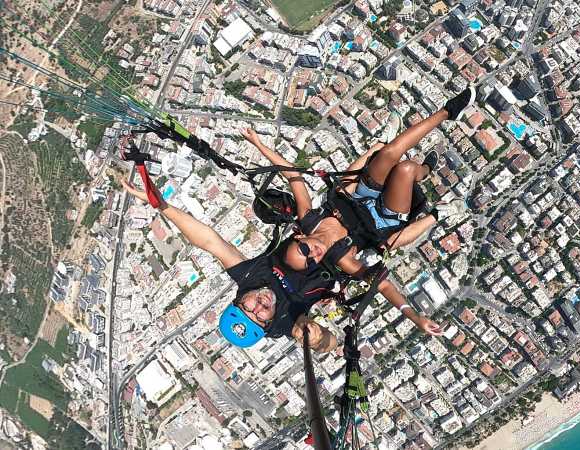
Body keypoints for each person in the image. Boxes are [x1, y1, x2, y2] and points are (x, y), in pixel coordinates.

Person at [121, 86, 475, 353]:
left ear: (239, 300)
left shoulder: (254, 272)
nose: (260, 305)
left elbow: (210, 240)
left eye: (248, 307)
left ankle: (448, 114)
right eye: (260, 316)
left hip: (352, 202)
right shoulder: (289, 318)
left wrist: (161, 206)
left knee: (390, 157)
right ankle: (428, 199)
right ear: (267, 323)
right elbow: (332, 336)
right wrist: (316, 337)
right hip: (372, 227)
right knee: (406, 172)